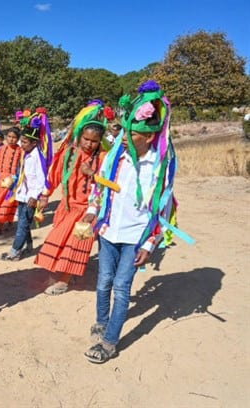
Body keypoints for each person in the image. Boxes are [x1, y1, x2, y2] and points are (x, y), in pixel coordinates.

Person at [82, 80, 179, 363]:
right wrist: (92, 211)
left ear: (149, 137)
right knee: (103, 282)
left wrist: (150, 243)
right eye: (124, 130)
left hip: (135, 237)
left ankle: (110, 342)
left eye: (131, 132)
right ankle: (102, 321)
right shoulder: (115, 159)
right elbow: (100, 189)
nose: (123, 136)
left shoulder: (159, 168)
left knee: (122, 287)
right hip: (109, 232)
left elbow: (162, 209)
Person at [34, 101, 109, 295]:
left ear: (100, 141)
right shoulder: (69, 154)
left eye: (93, 141)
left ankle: (64, 281)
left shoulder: (104, 158)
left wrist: (93, 174)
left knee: (74, 244)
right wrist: (44, 196)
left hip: (88, 210)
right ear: (80, 136)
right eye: (85, 139)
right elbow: (54, 176)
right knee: (60, 241)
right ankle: (67, 273)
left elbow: (109, 185)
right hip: (66, 208)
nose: (88, 144)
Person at [0, 117, 48, 261]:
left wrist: (34, 196)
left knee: (22, 224)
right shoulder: (26, 154)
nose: (22, 144)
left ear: (35, 143)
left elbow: (41, 179)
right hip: (22, 194)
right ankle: (29, 246)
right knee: (23, 221)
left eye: (25, 142)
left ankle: (14, 252)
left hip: (30, 197)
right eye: (22, 141)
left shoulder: (37, 158)